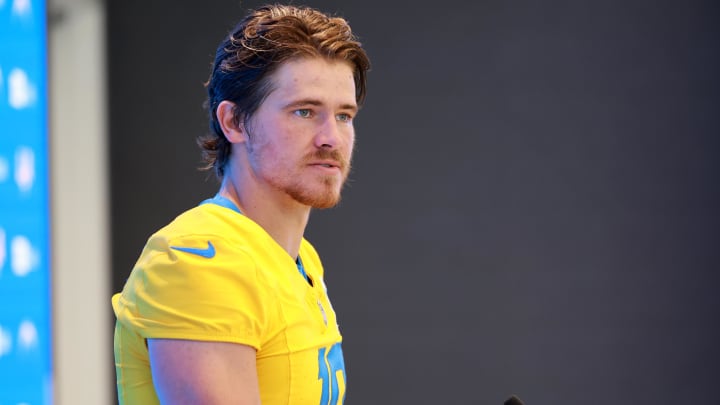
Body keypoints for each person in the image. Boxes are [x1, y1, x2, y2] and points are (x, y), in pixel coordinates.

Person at [111, 4, 370, 404]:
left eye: (344, 116)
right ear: (233, 122)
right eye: (304, 112)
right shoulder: (201, 261)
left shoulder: (299, 259)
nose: (330, 138)